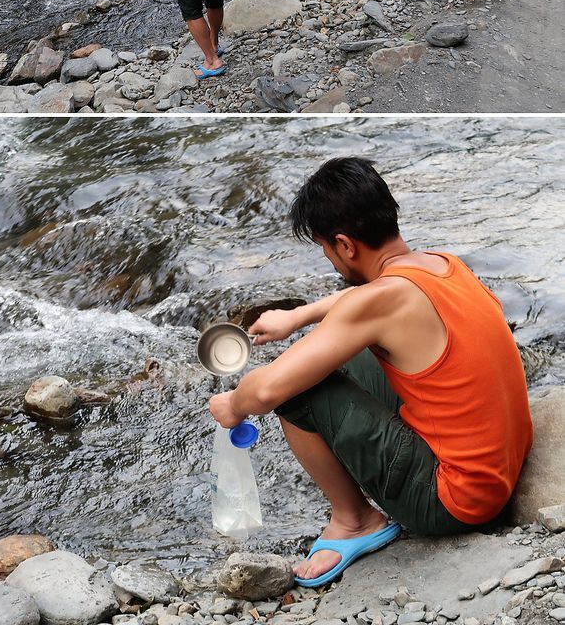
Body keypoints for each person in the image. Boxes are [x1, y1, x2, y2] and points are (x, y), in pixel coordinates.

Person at [209, 157, 533, 587]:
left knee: (292, 388)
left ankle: (356, 519)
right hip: (502, 463)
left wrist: (233, 405)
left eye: (326, 249)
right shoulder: (442, 264)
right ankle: (362, 505)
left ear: (345, 245)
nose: (330, 259)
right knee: (335, 350)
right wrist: (299, 315)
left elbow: (267, 390)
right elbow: (373, 299)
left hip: (455, 501)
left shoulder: (378, 303)